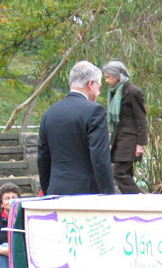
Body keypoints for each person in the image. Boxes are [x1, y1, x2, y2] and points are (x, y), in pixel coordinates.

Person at [37, 60, 115, 195]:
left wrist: (47, 190)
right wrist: (108, 195)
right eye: (99, 87)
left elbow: (43, 158)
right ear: (91, 84)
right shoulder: (94, 111)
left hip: (56, 191)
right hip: (86, 194)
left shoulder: (49, 113)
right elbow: (100, 159)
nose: (98, 93)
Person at [102, 61, 148, 194]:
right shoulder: (115, 92)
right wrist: (112, 142)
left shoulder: (133, 92)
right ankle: (132, 201)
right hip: (119, 138)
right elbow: (115, 122)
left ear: (118, 76)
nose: (106, 81)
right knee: (126, 173)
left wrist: (140, 143)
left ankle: (140, 198)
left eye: (108, 77)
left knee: (119, 172)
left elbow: (141, 119)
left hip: (130, 139)